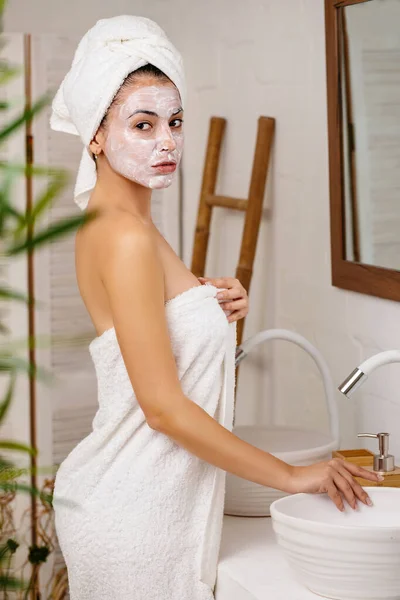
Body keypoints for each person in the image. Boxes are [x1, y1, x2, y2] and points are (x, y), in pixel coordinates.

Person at [50, 15, 382, 600]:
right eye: (143, 124)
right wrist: (291, 476)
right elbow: (162, 409)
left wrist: (206, 300)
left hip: (140, 504)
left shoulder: (123, 225)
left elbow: (142, 322)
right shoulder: (125, 237)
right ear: (96, 135)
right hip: (133, 516)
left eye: (175, 122)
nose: (167, 142)